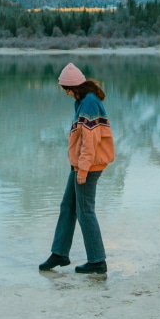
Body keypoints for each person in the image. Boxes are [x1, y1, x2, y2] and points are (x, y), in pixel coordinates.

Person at [38, 63, 115, 274]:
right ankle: (60, 253)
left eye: (66, 89)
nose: (66, 93)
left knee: (85, 211)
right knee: (68, 207)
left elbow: (90, 142)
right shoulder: (83, 101)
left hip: (89, 166)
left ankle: (97, 260)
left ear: (73, 87)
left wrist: (82, 170)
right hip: (80, 164)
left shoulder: (89, 103)